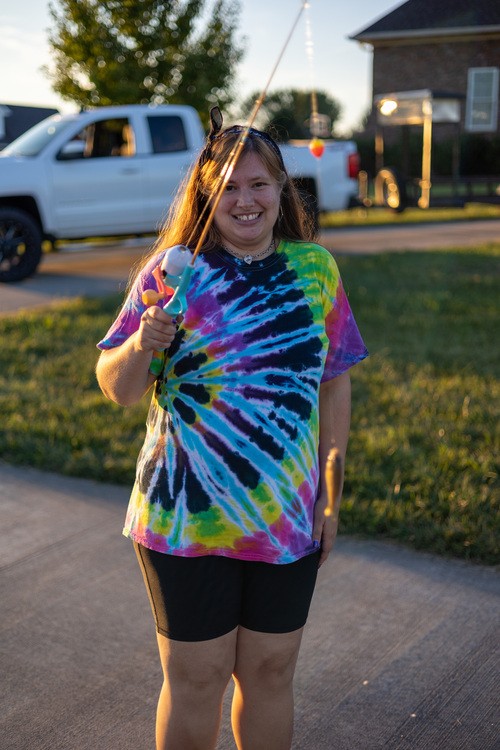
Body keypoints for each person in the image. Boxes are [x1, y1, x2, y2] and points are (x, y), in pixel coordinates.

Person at [96, 108, 368, 750]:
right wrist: (143, 342)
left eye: (259, 184)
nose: (245, 201)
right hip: (185, 516)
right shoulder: (172, 272)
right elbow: (118, 388)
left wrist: (330, 497)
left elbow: (335, 381)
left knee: (271, 672)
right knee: (198, 678)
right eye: (228, 188)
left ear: (281, 189)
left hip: (285, 513)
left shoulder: (316, 269)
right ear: (205, 197)